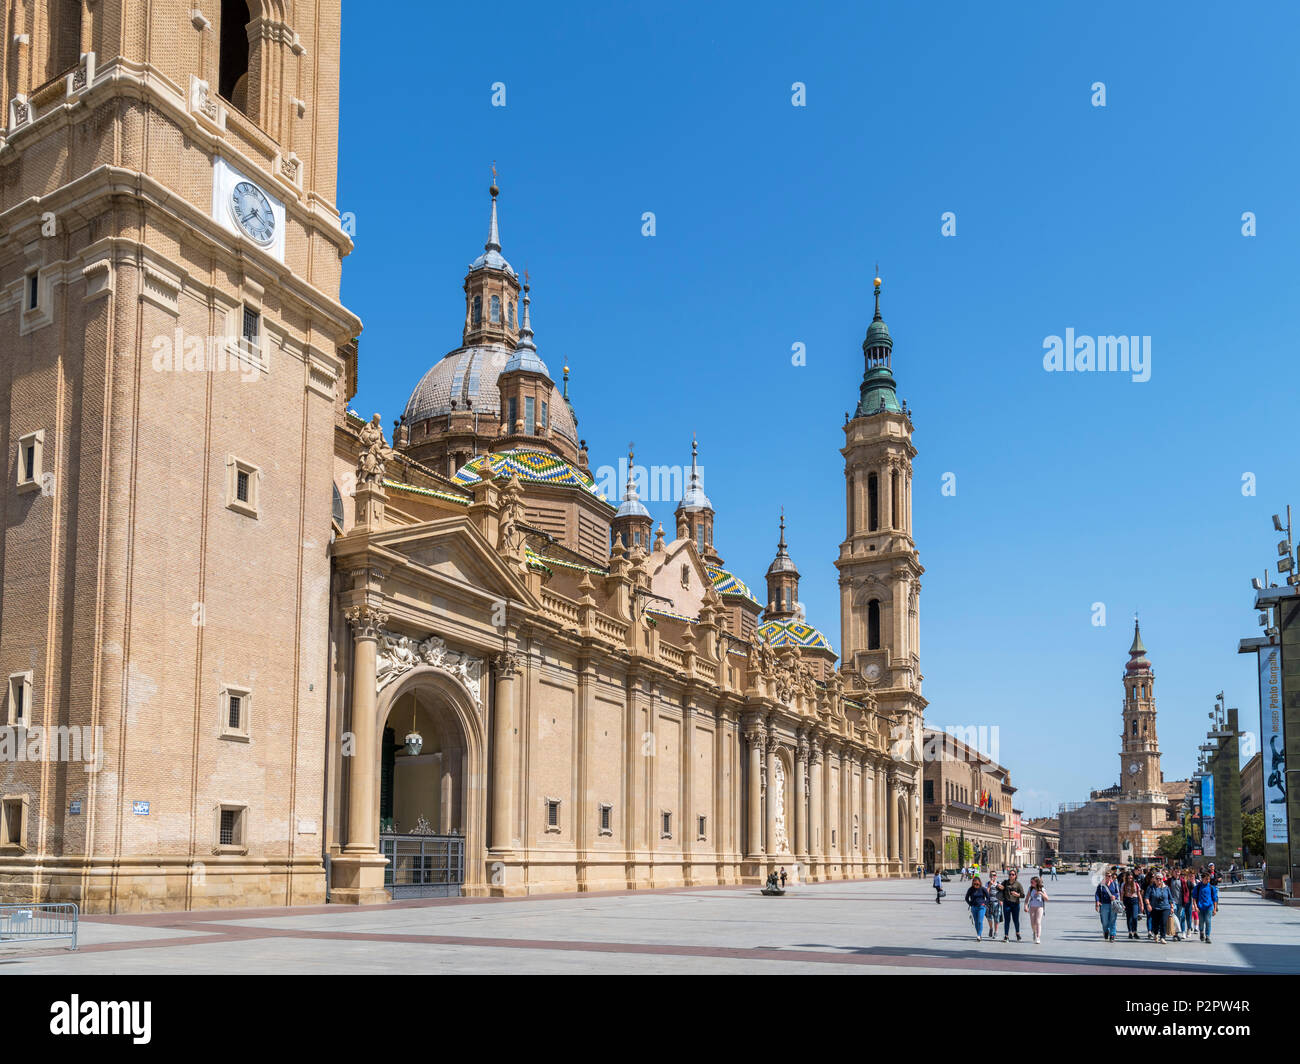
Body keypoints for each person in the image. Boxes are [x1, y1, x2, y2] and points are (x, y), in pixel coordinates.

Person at [1145, 873, 1173, 944]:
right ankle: (1156, 933)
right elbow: (1146, 897)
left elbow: (1170, 898)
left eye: (1160, 879)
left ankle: (1162, 937)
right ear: (1154, 879)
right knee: (1155, 923)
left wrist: (1172, 907)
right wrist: (1148, 905)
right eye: (1157, 878)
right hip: (1154, 908)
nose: (1159, 880)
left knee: (1163, 922)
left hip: (1165, 907)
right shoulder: (1151, 888)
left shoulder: (1166, 888)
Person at [1095, 870, 1120, 941]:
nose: (1108, 877)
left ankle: (1112, 935)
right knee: (1104, 921)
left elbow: (1118, 893)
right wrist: (1097, 902)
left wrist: (1115, 896)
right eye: (1106, 875)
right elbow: (1097, 894)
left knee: (1113, 920)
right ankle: (1106, 931)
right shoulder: (1101, 885)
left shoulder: (1114, 884)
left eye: (1109, 876)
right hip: (1104, 905)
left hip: (1113, 904)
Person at [1193, 875, 1219, 944]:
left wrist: (1215, 909)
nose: (1208, 880)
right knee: (1201, 922)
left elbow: (1215, 899)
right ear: (1202, 879)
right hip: (1200, 907)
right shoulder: (1198, 887)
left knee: (1208, 921)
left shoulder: (1211, 887)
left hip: (1209, 907)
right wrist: (1195, 906)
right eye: (1206, 879)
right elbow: (1194, 898)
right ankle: (1201, 932)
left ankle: (1207, 936)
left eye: (1208, 879)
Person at [1001, 870, 1026, 941]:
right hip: (1006, 903)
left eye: (1012, 874)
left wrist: (1017, 894)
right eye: (1010, 874)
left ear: (1015, 876)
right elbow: (999, 888)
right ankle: (1006, 936)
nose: (1011, 876)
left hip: (1015, 904)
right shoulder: (1005, 882)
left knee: (1016, 920)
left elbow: (1023, 895)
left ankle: (1017, 934)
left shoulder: (1018, 884)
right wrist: (999, 887)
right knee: (1007, 920)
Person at [965, 876, 990, 942]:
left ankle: (978, 935)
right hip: (974, 907)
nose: (976, 885)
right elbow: (966, 898)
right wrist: (970, 904)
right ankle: (979, 934)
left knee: (980, 921)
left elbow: (988, 898)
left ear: (980, 883)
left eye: (977, 884)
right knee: (976, 922)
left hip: (981, 907)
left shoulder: (983, 889)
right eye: (974, 884)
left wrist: (985, 903)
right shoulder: (970, 889)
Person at [1026, 876, 1049, 943]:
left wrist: (1041, 893)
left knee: (1038, 922)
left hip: (1040, 907)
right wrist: (1025, 906)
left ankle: (1038, 937)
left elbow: (1047, 899)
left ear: (1036, 882)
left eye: (1032, 882)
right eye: (1030, 882)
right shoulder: (1030, 889)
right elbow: (1027, 898)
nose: (1031, 883)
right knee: (1032, 923)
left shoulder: (1042, 889)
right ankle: (1034, 932)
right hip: (1032, 907)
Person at [1120, 871, 1142, 939]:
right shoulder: (1124, 884)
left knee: (1135, 917)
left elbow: (1139, 894)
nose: (1130, 879)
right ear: (1126, 878)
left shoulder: (1136, 884)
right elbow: (1122, 895)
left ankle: (1135, 931)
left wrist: (1141, 904)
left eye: (1131, 878)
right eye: (1128, 878)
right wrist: (1121, 904)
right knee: (1129, 917)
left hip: (1134, 900)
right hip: (1127, 900)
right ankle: (1130, 932)